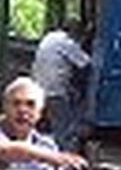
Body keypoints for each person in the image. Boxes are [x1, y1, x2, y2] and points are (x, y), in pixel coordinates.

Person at [30, 21, 95, 151]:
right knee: (64, 131)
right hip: (55, 92)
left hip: (37, 89)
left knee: (37, 128)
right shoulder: (66, 43)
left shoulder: (49, 38)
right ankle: (66, 160)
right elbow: (86, 63)